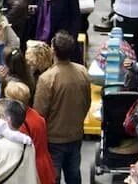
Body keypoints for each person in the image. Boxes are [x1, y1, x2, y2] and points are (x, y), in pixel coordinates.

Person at [33, 31, 91, 184]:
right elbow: (87, 102)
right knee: (74, 175)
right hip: (76, 134)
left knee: (53, 177)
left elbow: (39, 114)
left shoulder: (47, 79)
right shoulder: (82, 72)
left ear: (53, 50)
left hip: (53, 139)